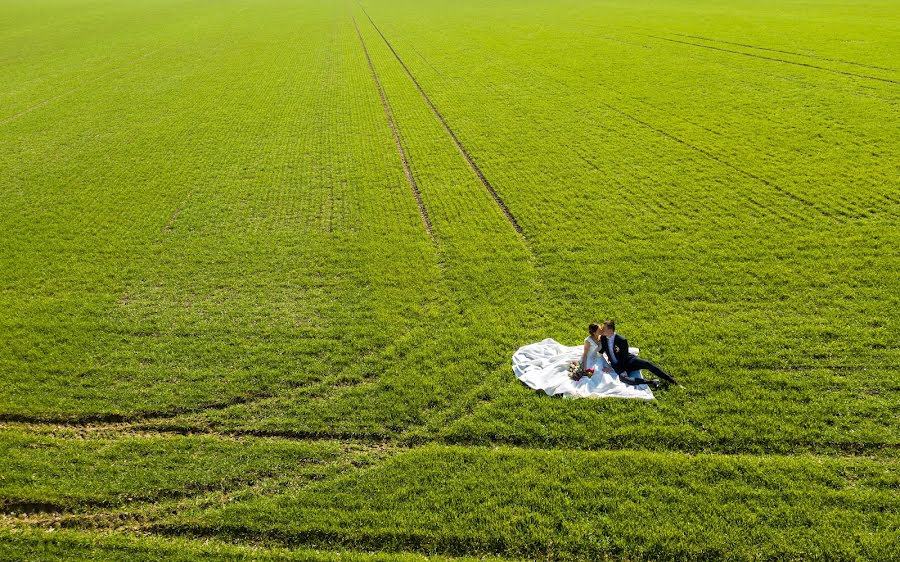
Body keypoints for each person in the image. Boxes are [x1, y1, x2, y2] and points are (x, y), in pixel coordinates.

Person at [598, 319, 678, 389]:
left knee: (648, 364)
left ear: (610, 330)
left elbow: (624, 356)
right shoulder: (603, 338)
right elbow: (602, 349)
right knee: (624, 379)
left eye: (604, 328)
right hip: (618, 366)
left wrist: (612, 368)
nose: (602, 329)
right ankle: (651, 382)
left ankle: (672, 381)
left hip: (628, 361)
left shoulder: (622, 340)